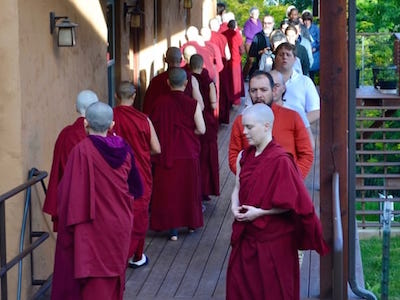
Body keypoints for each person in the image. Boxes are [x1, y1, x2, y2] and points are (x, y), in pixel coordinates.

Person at [226, 103, 329, 300]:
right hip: (246, 236)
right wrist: (234, 205)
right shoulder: (243, 156)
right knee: (239, 288)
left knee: (273, 291)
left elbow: (297, 204)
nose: (244, 132)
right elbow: (237, 187)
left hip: (274, 241)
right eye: (243, 127)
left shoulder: (281, 160)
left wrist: (260, 212)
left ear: (266, 126)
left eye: (249, 127)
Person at [51, 102, 143, 300]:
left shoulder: (81, 151)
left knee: (93, 284)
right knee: (112, 277)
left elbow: (67, 195)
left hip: (92, 227)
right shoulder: (125, 150)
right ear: (112, 125)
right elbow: (137, 188)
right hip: (119, 224)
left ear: (85, 125)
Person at [149, 68, 205, 241]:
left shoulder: (159, 102)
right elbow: (202, 129)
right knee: (188, 189)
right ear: (186, 83)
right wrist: (190, 132)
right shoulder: (192, 104)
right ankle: (190, 224)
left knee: (169, 191)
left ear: (168, 83)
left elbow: (154, 127)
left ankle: (171, 229)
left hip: (167, 152)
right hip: (188, 152)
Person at [228, 70, 313, 178]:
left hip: (286, 185)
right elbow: (234, 156)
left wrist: (292, 179)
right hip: (252, 186)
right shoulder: (241, 121)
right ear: (249, 92)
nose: (258, 95)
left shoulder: (293, 117)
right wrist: (248, 178)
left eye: (263, 90)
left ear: (273, 91)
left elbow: (306, 154)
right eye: (254, 90)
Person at [113, 81, 161, 269]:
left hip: (116, 174)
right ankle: (136, 255)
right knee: (139, 216)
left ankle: (117, 251)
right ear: (134, 97)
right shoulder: (143, 119)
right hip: (140, 173)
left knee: (118, 214)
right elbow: (156, 148)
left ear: (117, 97)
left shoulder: (111, 118)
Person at [43, 90, 99, 232]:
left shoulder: (66, 133)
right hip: (88, 202)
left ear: (76, 106)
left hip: (68, 200)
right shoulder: (96, 133)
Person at [273, 42, 320, 148]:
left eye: (288, 54)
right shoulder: (265, 81)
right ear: (275, 58)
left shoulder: (305, 81)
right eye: (281, 54)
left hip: (297, 134)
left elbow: (316, 110)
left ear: (295, 59)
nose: (284, 57)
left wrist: (295, 123)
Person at [190, 54, 220, 200]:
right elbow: (213, 104)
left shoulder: (188, 79)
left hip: (194, 120)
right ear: (202, 65)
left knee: (198, 155)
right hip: (208, 120)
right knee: (207, 156)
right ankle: (206, 189)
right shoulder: (208, 81)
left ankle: (196, 188)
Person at [142, 46, 204, 115]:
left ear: (165, 60)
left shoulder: (155, 81)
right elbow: (200, 106)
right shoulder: (191, 79)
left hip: (162, 123)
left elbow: (147, 109)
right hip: (186, 121)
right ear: (181, 60)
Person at [209, 17, 232, 124]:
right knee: (223, 92)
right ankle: (222, 117)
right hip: (221, 68)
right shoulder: (222, 37)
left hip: (209, 69)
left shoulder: (207, 38)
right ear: (218, 26)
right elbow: (228, 56)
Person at [223, 19, 245, 106]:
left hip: (226, 61)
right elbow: (242, 50)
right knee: (236, 81)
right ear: (235, 26)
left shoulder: (223, 34)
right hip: (235, 60)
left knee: (228, 80)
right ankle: (236, 100)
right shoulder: (237, 34)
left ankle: (228, 98)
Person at [242, 7, 262, 80]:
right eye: (255, 13)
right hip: (250, 43)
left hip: (258, 43)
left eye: (257, 13)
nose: (257, 15)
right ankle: (244, 76)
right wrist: (255, 37)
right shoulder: (248, 23)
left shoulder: (259, 22)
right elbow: (246, 33)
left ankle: (254, 75)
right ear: (251, 14)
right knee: (250, 60)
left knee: (259, 59)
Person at [302, 10, 320, 82]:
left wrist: (315, 48)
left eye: (308, 20)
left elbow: (319, 40)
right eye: (305, 20)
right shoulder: (302, 28)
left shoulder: (315, 28)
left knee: (313, 71)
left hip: (315, 52)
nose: (306, 22)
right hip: (305, 51)